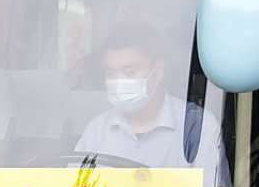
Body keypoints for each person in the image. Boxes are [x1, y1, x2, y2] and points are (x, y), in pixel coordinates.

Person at [72, 25, 224, 177]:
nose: (118, 82)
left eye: (129, 72)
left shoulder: (198, 126)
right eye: (110, 74)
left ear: (158, 72)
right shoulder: (97, 131)